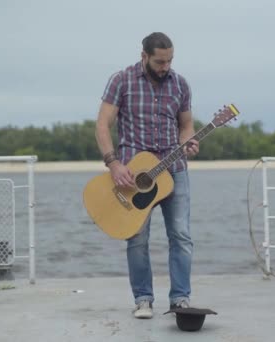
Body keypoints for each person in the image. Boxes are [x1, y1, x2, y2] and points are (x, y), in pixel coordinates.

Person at [94, 32, 199, 319]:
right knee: (137, 239)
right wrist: (113, 163)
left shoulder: (180, 84)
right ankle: (143, 299)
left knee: (181, 235)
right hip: (133, 175)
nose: (166, 66)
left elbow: (186, 125)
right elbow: (103, 125)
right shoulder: (121, 80)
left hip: (174, 171)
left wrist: (188, 141)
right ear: (144, 56)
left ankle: (180, 300)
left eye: (169, 61)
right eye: (159, 61)